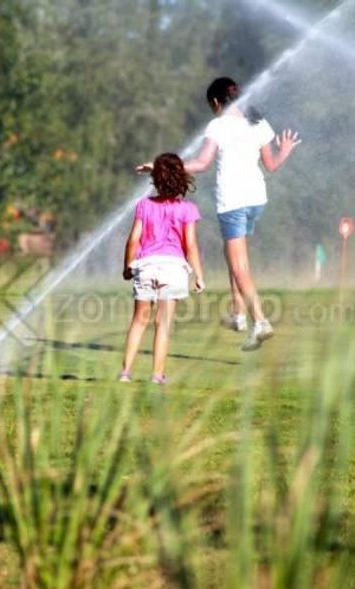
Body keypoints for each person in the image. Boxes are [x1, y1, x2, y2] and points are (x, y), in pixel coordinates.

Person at [139, 77, 300, 350]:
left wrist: (161, 167)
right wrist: (283, 151)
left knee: (239, 265)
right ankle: (238, 314)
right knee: (232, 254)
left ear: (216, 102)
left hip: (233, 202)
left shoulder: (218, 125)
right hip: (256, 200)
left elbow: (202, 163)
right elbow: (271, 165)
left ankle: (260, 321)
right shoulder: (258, 122)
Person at [120, 153, 205, 384]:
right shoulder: (187, 209)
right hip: (173, 269)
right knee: (163, 324)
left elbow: (133, 240)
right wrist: (198, 275)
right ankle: (157, 375)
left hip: (146, 266)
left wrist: (127, 266)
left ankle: (125, 373)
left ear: (155, 180)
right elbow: (190, 245)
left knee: (139, 320)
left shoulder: (144, 205)